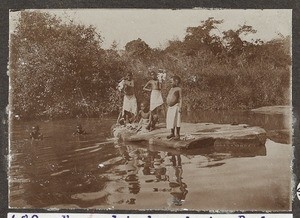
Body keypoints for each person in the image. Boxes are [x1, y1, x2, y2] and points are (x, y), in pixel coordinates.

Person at [166, 75, 182, 140]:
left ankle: (177, 134)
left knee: (177, 120)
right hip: (170, 107)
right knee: (171, 120)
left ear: (176, 82)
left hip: (176, 106)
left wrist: (180, 107)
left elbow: (180, 98)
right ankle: (172, 133)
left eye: (171, 82)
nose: (170, 83)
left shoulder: (179, 89)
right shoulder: (171, 89)